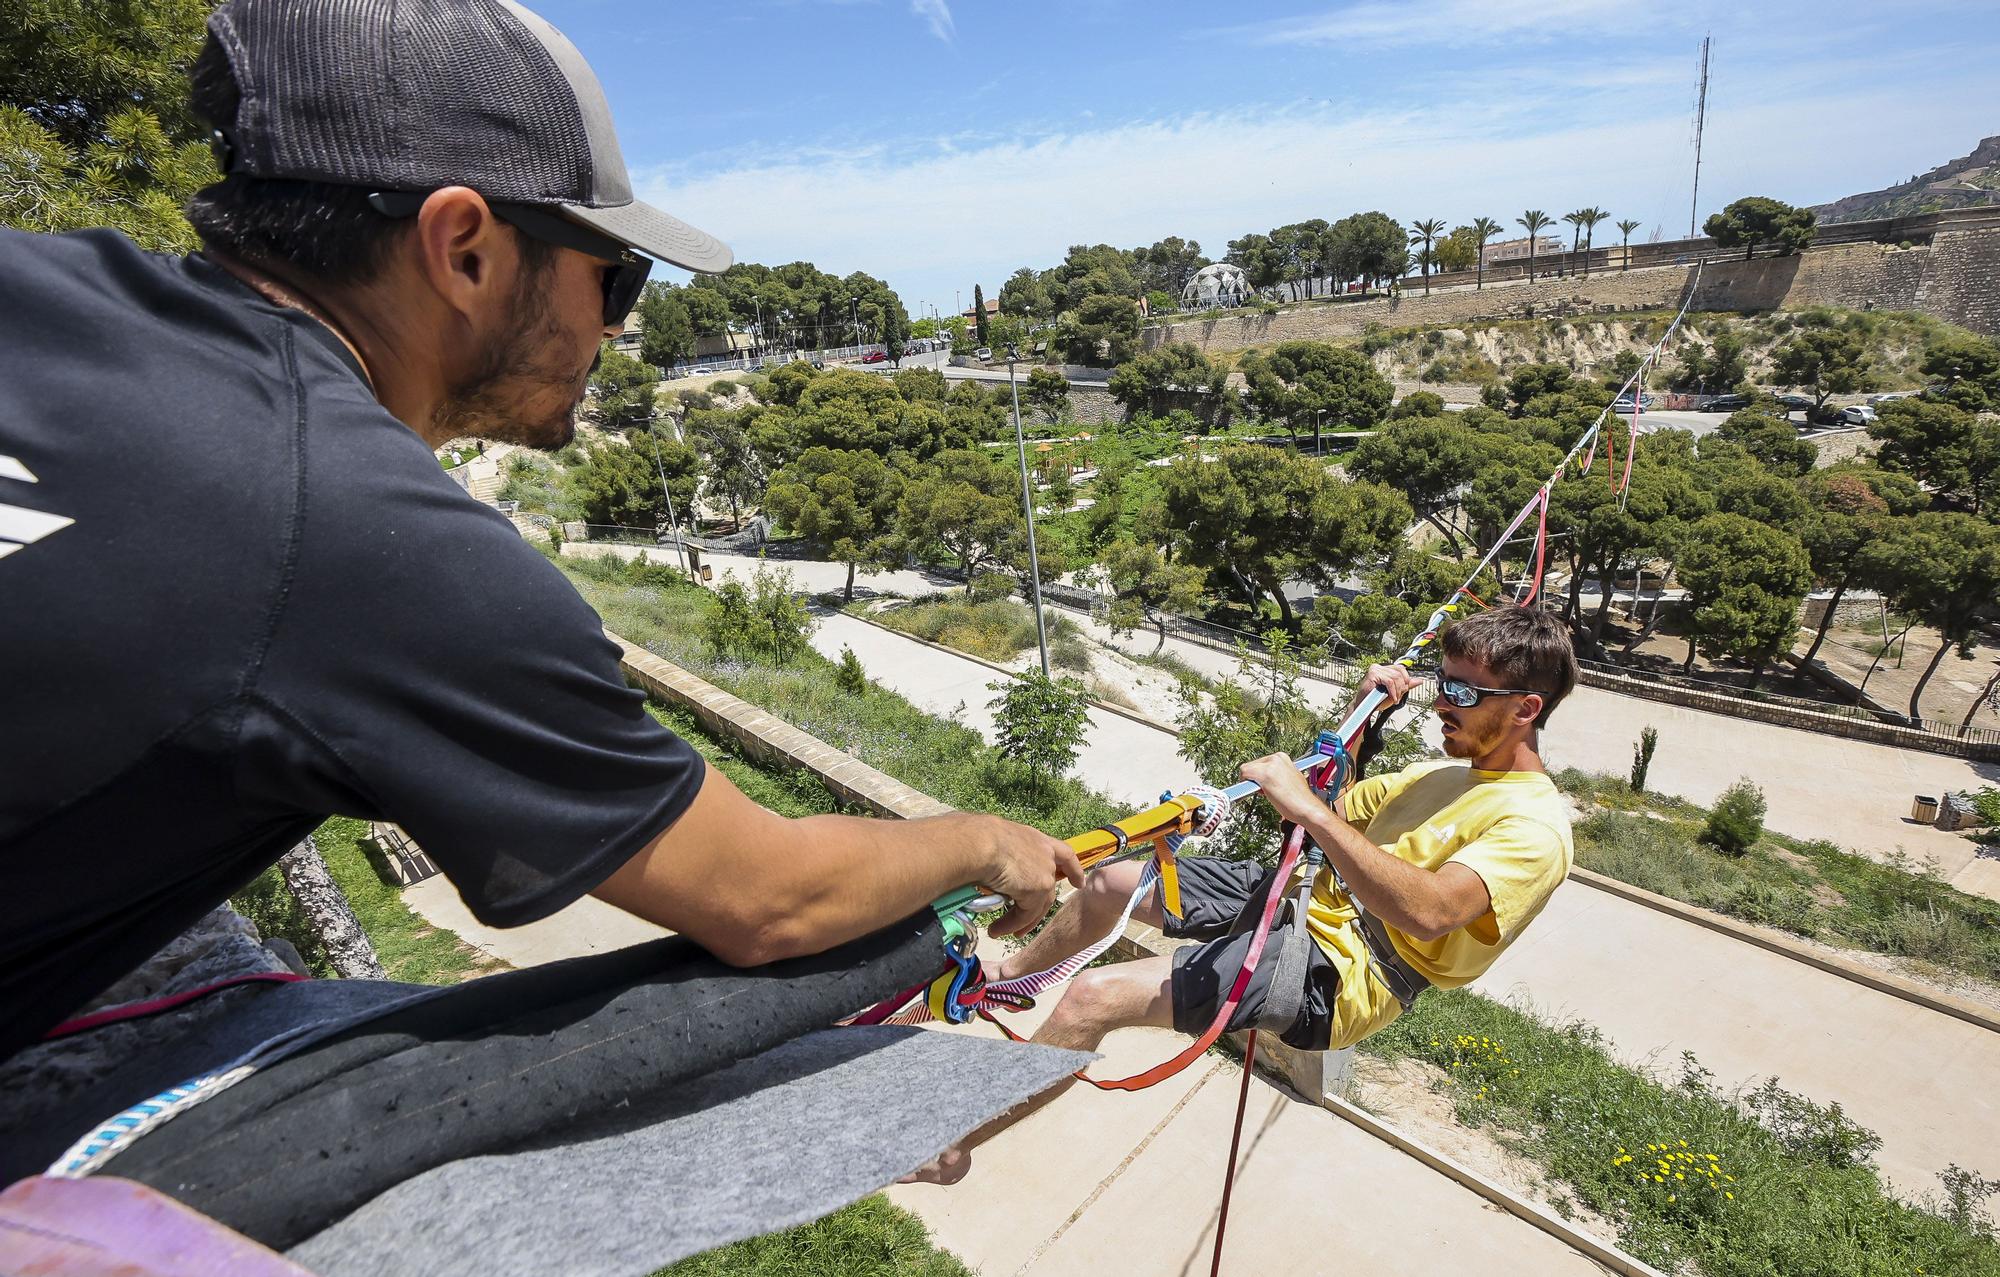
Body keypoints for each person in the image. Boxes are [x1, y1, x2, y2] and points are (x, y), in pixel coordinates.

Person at [0, 0, 1082, 1241]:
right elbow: (768, 898)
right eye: (609, 275)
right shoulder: (369, 537)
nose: (615, 329)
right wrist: (984, 839)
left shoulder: (39, 286)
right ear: (463, 246)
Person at [908, 606, 1578, 1185]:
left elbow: (1430, 912)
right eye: (1442, 684)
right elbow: (1323, 812)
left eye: (1463, 691)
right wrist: (1363, 720)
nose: (1440, 703)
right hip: (1307, 896)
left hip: (1344, 973)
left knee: (1093, 997)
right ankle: (1008, 977)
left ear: (1525, 709)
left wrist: (1311, 814)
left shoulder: (1535, 827)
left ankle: (956, 1146)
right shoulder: (1441, 775)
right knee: (1106, 881)